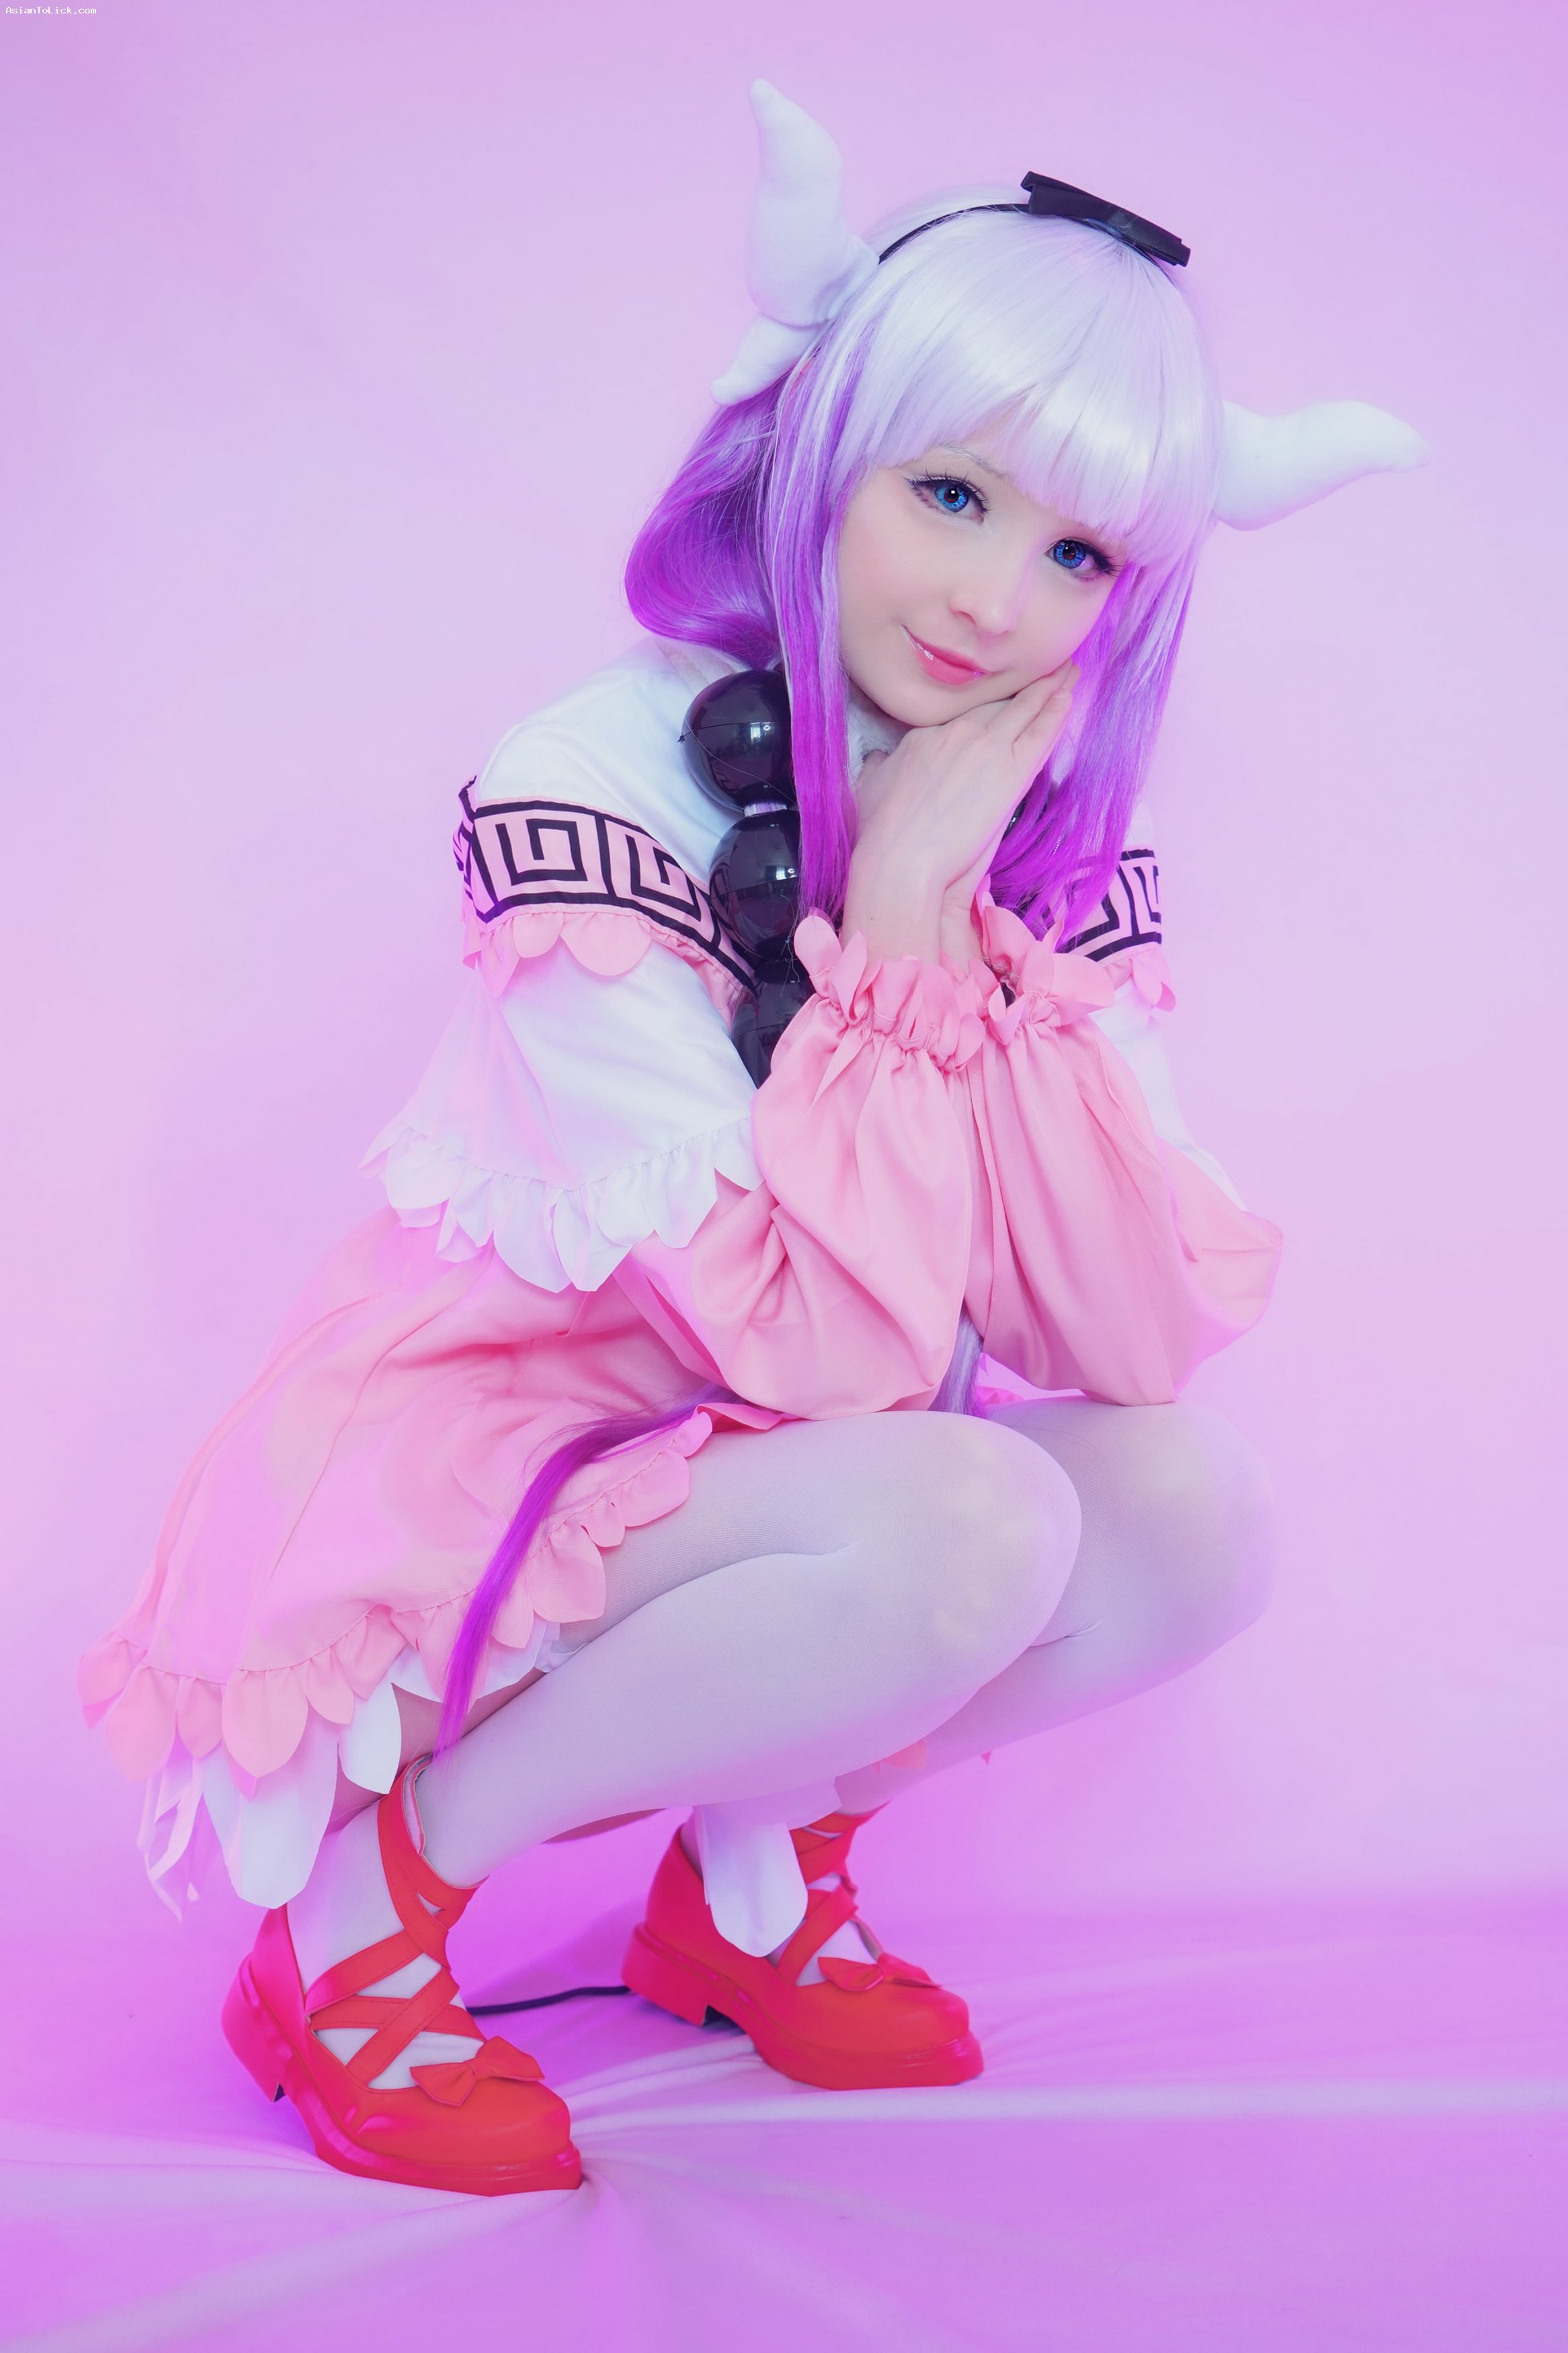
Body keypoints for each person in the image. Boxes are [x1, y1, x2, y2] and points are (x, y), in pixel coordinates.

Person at [79, 83, 1425, 2196]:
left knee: (1192, 1513)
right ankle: (361, 1913)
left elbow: (1133, 1329)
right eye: (951, 493)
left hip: (809, 1478)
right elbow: (803, 1351)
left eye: (1076, 550)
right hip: (514, 1471)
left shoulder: (1033, 831)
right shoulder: (598, 774)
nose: (995, 598)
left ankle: (754, 1873)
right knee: (972, 1516)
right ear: (824, 455)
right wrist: (895, 942)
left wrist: (948, 918)